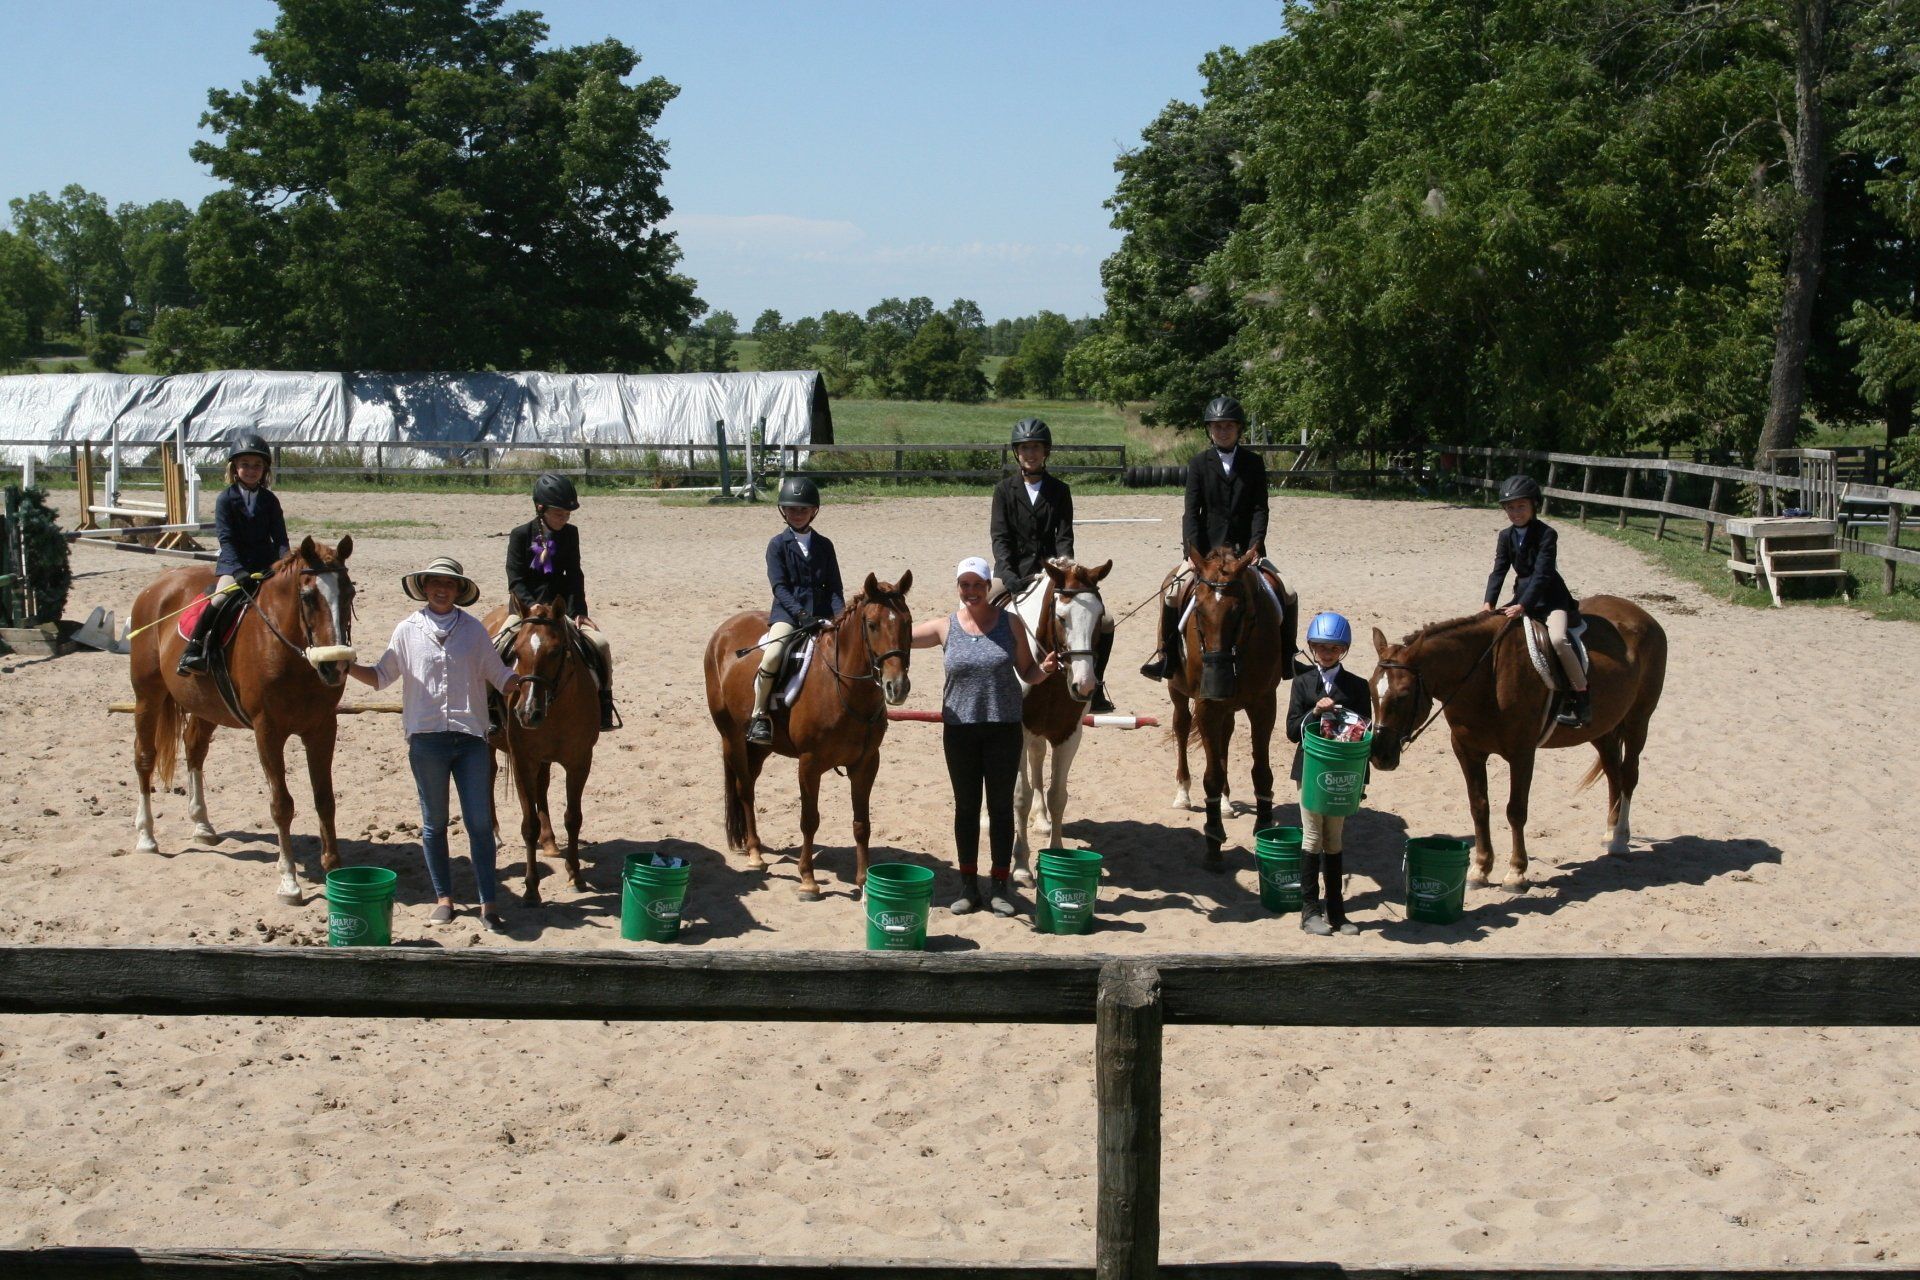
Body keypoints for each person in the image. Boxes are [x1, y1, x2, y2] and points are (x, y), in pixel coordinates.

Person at [348, 557, 523, 933]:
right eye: (434, 583)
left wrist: (523, 683)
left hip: (472, 739)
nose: (442, 589)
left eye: (449, 584)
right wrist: (345, 665)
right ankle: (444, 898)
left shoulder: (475, 631)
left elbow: (498, 673)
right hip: (426, 741)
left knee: (479, 823)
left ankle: (488, 902)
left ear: (459, 591)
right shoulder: (406, 630)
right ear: (424, 587)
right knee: (434, 824)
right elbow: (381, 677)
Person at [909, 556, 1060, 917]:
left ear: (988, 586)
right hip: (960, 730)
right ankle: (967, 884)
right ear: (958, 587)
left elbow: (1026, 670)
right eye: (965, 585)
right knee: (966, 808)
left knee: (1000, 808)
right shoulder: (945, 627)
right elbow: (897, 635)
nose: (972, 591)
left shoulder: (1009, 624)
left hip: (1003, 729)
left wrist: (1046, 671)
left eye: (978, 585)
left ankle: (999, 886)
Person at [989, 416, 1116, 714]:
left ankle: (1096, 686)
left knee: (1106, 621)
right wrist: (1007, 576)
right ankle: (991, 682)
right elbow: (1000, 538)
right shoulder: (1004, 490)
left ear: (1046, 451)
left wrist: (1065, 566)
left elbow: (1064, 535)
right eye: (1024, 448)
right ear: (1016, 453)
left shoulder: (1060, 490)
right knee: (980, 606)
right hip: (1013, 572)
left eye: (1035, 448)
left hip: (1054, 573)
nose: (1030, 454)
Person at [1139, 394, 1271, 680]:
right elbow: (1191, 511)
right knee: (1173, 591)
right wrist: (1192, 551)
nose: (1222, 431)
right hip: (1206, 552)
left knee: (1286, 592)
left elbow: (1260, 508)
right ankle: (1167, 657)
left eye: (1228, 426)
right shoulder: (1198, 463)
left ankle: (1288, 656)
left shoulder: (1254, 463)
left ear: (1238, 429)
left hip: (1244, 552)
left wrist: (1255, 546)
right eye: (1217, 427)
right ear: (1209, 430)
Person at [505, 472, 617, 731]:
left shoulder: (570, 534)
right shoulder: (520, 535)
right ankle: (490, 708)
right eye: (559, 513)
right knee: (495, 643)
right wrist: (530, 604)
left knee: (600, 644)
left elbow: (575, 575)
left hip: (559, 610)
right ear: (540, 508)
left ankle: (604, 705)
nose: (564, 518)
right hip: (526, 610)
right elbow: (515, 578)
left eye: (567, 514)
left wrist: (579, 611)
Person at [1284, 612, 1371, 936]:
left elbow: (1365, 734)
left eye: (1333, 648)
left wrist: (1361, 780)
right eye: (1320, 647)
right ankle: (1309, 912)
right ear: (1311, 647)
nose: (1326, 653)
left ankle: (1337, 911)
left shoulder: (1358, 687)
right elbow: (1293, 731)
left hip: (1343, 772)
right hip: (1310, 769)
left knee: (1334, 839)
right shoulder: (1302, 682)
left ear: (1343, 650)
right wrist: (1314, 712)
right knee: (1312, 836)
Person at [177, 431, 289, 675]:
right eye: (245, 465)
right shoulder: (225, 500)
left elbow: (280, 539)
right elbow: (226, 540)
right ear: (234, 467)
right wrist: (237, 571)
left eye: (257, 466)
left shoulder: (270, 500)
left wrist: (285, 563)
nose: (251, 470)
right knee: (220, 599)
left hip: (266, 564)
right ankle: (194, 649)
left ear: (265, 470)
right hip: (234, 565)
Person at [1482, 474, 1589, 727]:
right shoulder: (1505, 536)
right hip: (1522, 595)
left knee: (1558, 639)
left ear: (1533, 506)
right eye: (1510, 507)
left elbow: (1543, 574)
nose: (1515, 512)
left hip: (1550, 599)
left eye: (1521, 506)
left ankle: (1580, 696)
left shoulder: (1547, 534)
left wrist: (1523, 606)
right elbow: (1499, 569)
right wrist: (1489, 602)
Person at [748, 475, 845, 747]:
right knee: (773, 656)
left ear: (814, 511)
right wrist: (802, 615)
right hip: (789, 616)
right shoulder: (777, 545)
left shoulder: (825, 545)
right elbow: (779, 588)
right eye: (792, 509)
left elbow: (835, 588)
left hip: (824, 613)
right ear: (783, 511)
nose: (798, 514)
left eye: (803, 509)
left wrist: (841, 618)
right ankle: (759, 715)